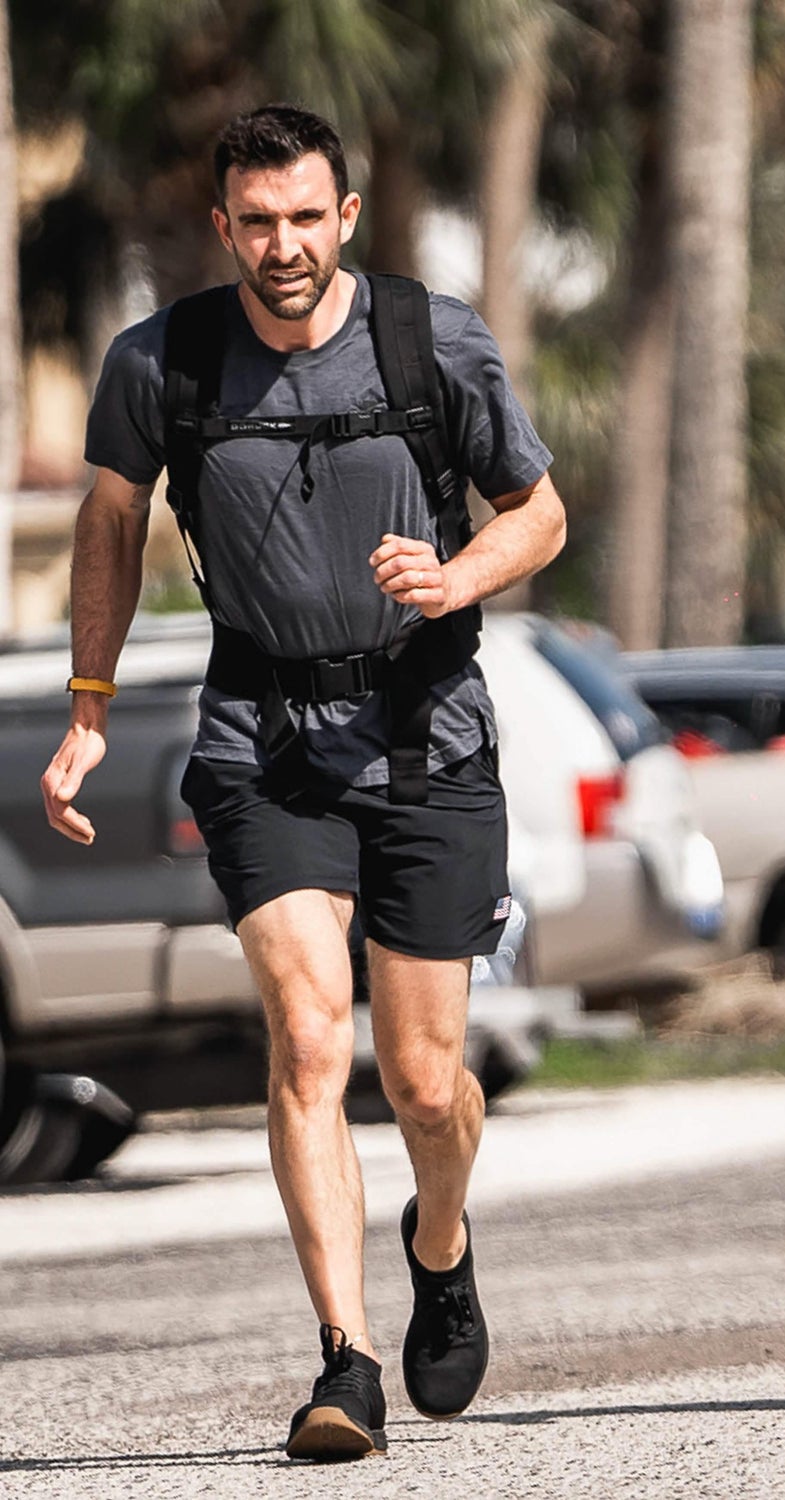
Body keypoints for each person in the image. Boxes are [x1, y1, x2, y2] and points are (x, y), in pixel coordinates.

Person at [40, 104, 565, 1459]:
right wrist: (88, 705)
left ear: (344, 216)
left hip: (427, 733)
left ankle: (437, 1249)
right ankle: (345, 1360)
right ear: (224, 229)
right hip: (259, 741)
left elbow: (540, 513)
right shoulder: (164, 362)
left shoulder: (431, 341)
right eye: (255, 222)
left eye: (304, 218)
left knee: (430, 1079)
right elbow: (108, 518)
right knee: (310, 1039)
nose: (282, 245)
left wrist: (455, 578)